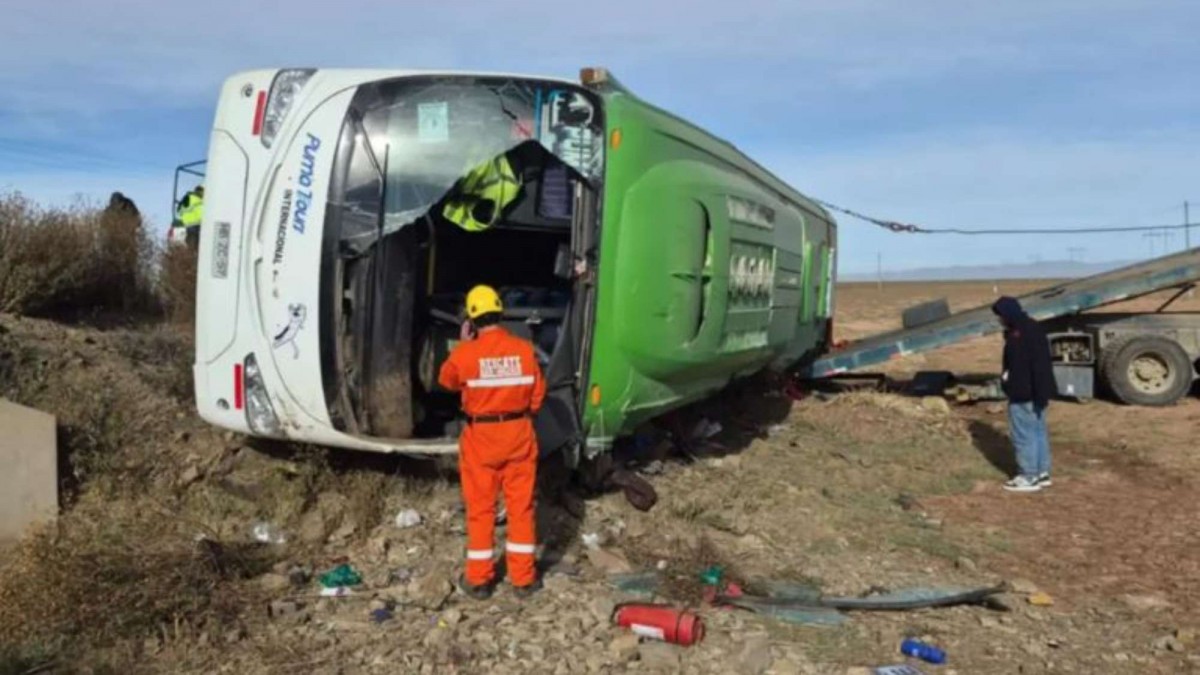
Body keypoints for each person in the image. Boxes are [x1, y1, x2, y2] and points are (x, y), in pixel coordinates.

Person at [438, 285, 546, 599]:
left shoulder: (465, 353)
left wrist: (462, 345)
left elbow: (446, 380)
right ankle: (523, 580)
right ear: (500, 312)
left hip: (481, 439)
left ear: (471, 319)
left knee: (481, 510)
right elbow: (537, 397)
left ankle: (479, 580)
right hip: (519, 435)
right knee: (521, 508)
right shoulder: (524, 349)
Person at [991, 296, 1056, 492]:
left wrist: (1008, 383)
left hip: (1023, 393)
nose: (999, 319)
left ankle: (1028, 476)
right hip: (1039, 390)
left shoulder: (1018, 335)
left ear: (1007, 314)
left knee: (1023, 434)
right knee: (1038, 431)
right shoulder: (1034, 327)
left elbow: (1018, 367)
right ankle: (1041, 472)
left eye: (1000, 315)